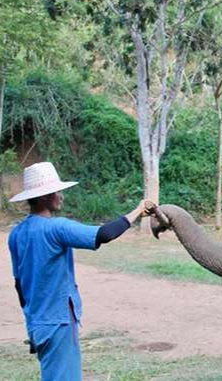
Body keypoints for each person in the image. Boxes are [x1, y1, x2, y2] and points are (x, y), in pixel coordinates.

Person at [8, 161, 153, 381]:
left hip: (38, 323)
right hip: (59, 322)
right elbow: (104, 234)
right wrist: (138, 211)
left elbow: (19, 285)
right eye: (58, 191)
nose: (61, 196)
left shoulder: (16, 234)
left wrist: (33, 319)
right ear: (47, 196)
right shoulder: (57, 228)